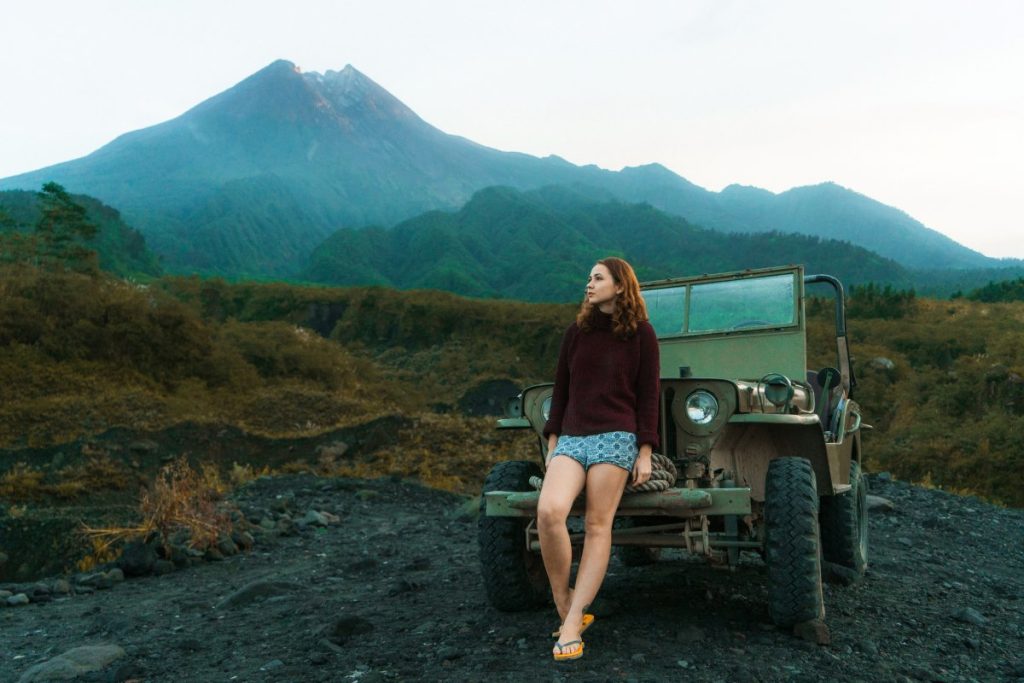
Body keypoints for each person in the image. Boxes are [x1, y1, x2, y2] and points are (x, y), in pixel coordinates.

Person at [538, 256, 660, 661]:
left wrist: (645, 450)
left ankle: (572, 622)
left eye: (597, 278)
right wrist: (553, 439)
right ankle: (563, 600)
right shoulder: (577, 332)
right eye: (588, 278)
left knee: (596, 523)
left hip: (616, 438)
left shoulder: (642, 334)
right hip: (573, 436)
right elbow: (561, 386)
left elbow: (648, 396)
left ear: (620, 286)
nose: (588, 284)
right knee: (550, 512)